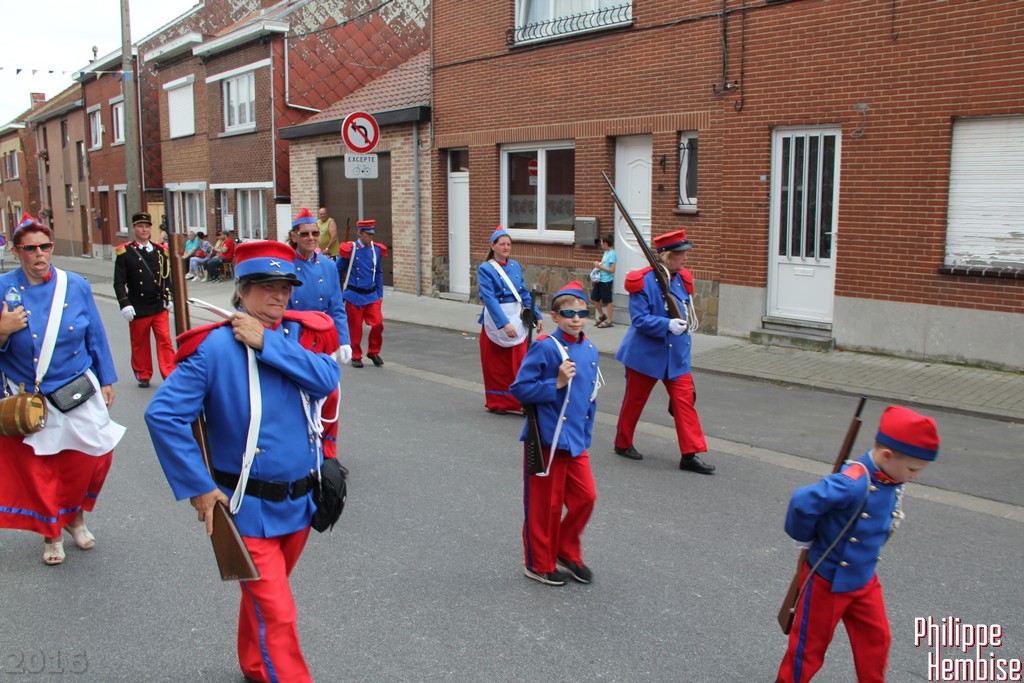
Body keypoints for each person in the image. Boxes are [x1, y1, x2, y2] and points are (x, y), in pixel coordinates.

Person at [144, 240, 340, 683]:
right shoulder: (214, 348)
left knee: (266, 601)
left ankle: (255, 664)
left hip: (300, 502)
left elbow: (326, 379)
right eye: (267, 286)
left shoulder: (298, 335)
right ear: (242, 289)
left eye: (285, 287)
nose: (279, 295)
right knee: (278, 612)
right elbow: (163, 416)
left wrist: (267, 342)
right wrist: (200, 487)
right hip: (246, 508)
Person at [776, 406, 940, 683]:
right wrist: (807, 537)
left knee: (877, 641)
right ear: (887, 455)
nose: (916, 476)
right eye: (913, 469)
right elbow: (803, 501)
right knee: (808, 650)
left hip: (864, 580)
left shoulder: (891, 475)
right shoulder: (852, 482)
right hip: (828, 581)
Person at [0, 215, 125, 565]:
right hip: (28, 394)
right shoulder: (3, 287)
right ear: (17, 252)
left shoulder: (75, 284)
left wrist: (106, 379)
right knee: (41, 467)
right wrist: (3, 330)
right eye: (30, 249)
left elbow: (95, 334)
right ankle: (51, 532)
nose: (39, 254)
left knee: (94, 456)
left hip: (76, 385)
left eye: (45, 246)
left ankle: (73, 515)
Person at [510, 281, 599, 586]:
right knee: (545, 506)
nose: (576, 319)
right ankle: (539, 563)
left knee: (586, 497)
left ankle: (565, 549)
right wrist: (556, 383)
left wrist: (585, 433)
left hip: (575, 440)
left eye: (582, 313)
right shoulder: (545, 346)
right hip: (547, 438)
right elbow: (520, 389)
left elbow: (589, 397)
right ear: (555, 316)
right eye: (569, 314)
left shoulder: (590, 349)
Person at [613, 229, 714, 474]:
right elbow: (639, 319)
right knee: (634, 401)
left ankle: (690, 454)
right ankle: (623, 443)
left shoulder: (682, 279)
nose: (685, 258)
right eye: (681, 254)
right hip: (645, 355)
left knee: (684, 403)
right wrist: (666, 324)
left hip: (676, 356)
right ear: (668, 256)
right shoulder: (643, 280)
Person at [289, 207, 352, 459]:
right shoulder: (285, 264)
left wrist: (343, 340)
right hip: (295, 337)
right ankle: (302, 450)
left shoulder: (327, 264)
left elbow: (337, 305)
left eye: (315, 233)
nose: (311, 238)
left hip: (324, 338)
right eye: (305, 234)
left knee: (331, 396)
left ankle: (328, 451)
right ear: (294, 236)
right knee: (298, 398)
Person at [477, 227, 542, 415]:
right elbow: (489, 298)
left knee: (521, 362)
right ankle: (498, 402)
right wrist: (504, 323)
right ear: (493, 246)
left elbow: (523, 293)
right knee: (497, 366)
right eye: (502, 244)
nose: (506, 247)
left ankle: (523, 401)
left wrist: (537, 315)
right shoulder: (485, 269)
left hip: (517, 317)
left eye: (508, 244)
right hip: (497, 319)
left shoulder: (515, 265)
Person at [113, 211, 176, 388]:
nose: (144, 230)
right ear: (133, 228)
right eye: (140, 226)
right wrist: (125, 304)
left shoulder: (160, 251)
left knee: (165, 340)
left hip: (158, 305)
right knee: (140, 343)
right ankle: (143, 374)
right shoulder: (125, 253)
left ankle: (170, 373)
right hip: (138, 306)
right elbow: (119, 282)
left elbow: (166, 277)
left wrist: (169, 297)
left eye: (147, 226)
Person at [337, 219, 387, 368]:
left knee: (377, 323)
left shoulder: (376, 250)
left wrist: (380, 293)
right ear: (359, 233)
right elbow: (337, 269)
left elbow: (379, 272)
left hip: (371, 294)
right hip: (354, 294)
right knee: (355, 328)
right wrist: (337, 291)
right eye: (368, 234)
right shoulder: (350, 249)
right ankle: (356, 355)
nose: (371, 237)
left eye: (372, 234)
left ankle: (373, 352)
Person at [591, 233, 617, 327]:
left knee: (608, 300)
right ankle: (602, 315)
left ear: (606, 243)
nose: (601, 244)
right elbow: (604, 264)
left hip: (606, 281)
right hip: (600, 279)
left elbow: (612, 270)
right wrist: (598, 264)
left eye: (601, 242)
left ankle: (609, 320)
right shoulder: (606, 252)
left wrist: (600, 267)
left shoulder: (612, 254)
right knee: (594, 298)